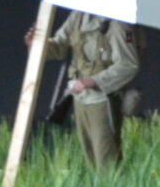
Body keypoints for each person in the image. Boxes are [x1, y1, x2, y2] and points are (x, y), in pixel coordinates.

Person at [26, 12, 141, 169]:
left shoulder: (117, 24)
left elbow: (128, 65)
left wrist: (92, 81)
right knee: (90, 156)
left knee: (106, 158)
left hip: (103, 99)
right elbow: (59, 47)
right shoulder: (78, 16)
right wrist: (38, 44)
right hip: (80, 97)